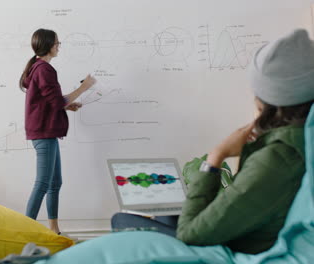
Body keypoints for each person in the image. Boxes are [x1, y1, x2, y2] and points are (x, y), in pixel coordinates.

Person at [111, 28, 314, 254]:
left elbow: (190, 234)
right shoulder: (304, 138)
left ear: (268, 100)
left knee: (122, 220)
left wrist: (215, 158)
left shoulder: (276, 158)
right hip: (248, 229)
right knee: (165, 212)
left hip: (230, 248)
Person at [20, 28, 96, 234]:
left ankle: (54, 229)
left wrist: (67, 106)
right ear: (48, 46)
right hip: (44, 133)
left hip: (46, 132)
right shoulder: (44, 69)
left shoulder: (38, 67)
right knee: (43, 183)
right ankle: (25, 232)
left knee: (55, 183)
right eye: (57, 43)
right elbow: (55, 101)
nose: (58, 46)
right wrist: (84, 87)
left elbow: (50, 101)